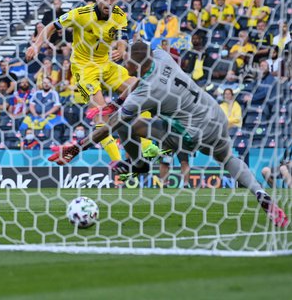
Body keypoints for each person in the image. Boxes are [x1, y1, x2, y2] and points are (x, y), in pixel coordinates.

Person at [50, 41, 289, 227]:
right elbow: (141, 60)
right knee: (227, 159)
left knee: (122, 123)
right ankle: (261, 194)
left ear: (136, 64)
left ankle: (139, 163)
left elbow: (111, 125)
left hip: (191, 132)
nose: (124, 65)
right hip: (214, 113)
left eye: (127, 62)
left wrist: (75, 148)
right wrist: (116, 101)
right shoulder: (161, 57)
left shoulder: (146, 90)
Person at [26, 0, 160, 162]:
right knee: (100, 114)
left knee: (141, 89)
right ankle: (117, 162)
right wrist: (36, 45)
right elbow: (51, 27)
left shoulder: (119, 15)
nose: (108, 3)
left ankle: (147, 146)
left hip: (106, 64)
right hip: (84, 68)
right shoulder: (80, 14)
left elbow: (123, 38)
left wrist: (121, 50)